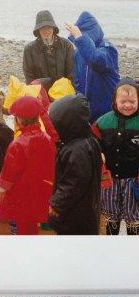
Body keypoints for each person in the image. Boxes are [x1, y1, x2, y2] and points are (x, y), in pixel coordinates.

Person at [0, 96, 55, 235]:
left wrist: (0, 190)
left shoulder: (18, 144)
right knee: (31, 227)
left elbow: (8, 173)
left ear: (19, 119)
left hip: (19, 196)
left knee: (21, 228)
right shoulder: (47, 138)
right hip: (39, 192)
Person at [48, 94, 102, 235]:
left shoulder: (76, 150)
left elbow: (74, 183)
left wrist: (57, 204)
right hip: (87, 209)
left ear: (67, 124)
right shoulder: (87, 140)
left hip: (75, 215)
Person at [95, 78, 139, 235]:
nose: (128, 105)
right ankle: (111, 244)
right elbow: (94, 143)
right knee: (110, 213)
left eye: (132, 101)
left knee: (133, 215)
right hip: (110, 179)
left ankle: (133, 246)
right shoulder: (103, 122)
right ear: (114, 100)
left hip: (134, 179)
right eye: (123, 101)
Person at [66, 11, 119, 122]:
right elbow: (77, 82)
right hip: (86, 111)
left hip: (107, 110)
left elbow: (95, 60)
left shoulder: (108, 49)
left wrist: (80, 38)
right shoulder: (78, 53)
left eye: (85, 34)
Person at [23, 10, 74, 88]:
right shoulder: (29, 50)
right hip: (40, 93)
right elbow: (29, 78)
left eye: (49, 27)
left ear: (53, 28)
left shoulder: (66, 45)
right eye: (42, 27)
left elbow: (72, 73)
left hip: (63, 92)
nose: (46, 30)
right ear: (38, 29)